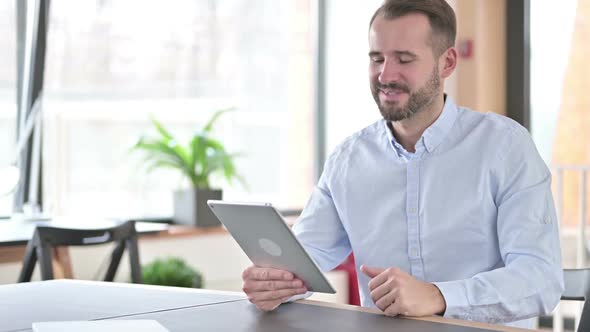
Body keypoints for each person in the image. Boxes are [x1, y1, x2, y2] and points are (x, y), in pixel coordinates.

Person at [241, 0, 563, 328]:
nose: (386, 75)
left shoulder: (506, 147)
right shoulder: (348, 160)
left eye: (404, 59)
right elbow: (303, 260)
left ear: (447, 62)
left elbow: (540, 280)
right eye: (377, 58)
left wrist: (439, 296)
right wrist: (275, 284)